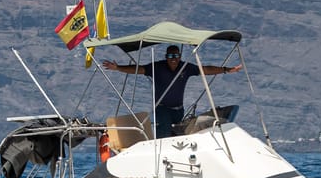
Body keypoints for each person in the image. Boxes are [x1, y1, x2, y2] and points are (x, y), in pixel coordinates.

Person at [102, 45, 242, 138]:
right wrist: (118, 67)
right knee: (164, 134)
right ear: (166, 57)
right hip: (162, 109)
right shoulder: (158, 67)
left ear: (180, 56)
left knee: (178, 136)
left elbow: (205, 69)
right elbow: (139, 69)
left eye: (176, 56)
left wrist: (226, 70)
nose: (173, 60)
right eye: (170, 57)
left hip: (179, 110)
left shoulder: (185, 67)